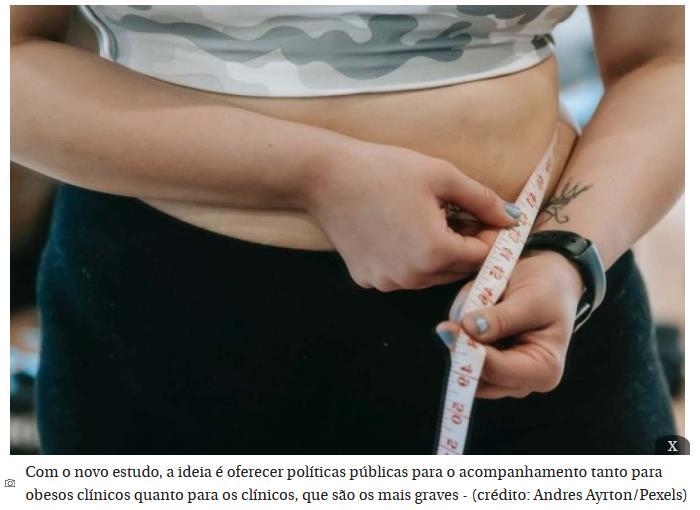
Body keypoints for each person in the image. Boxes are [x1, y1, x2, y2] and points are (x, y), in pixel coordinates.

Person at [11, 5, 683, 454]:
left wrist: (568, 254)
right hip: (165, 327)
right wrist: (315, 176)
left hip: (534, 313)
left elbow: (667, 60)